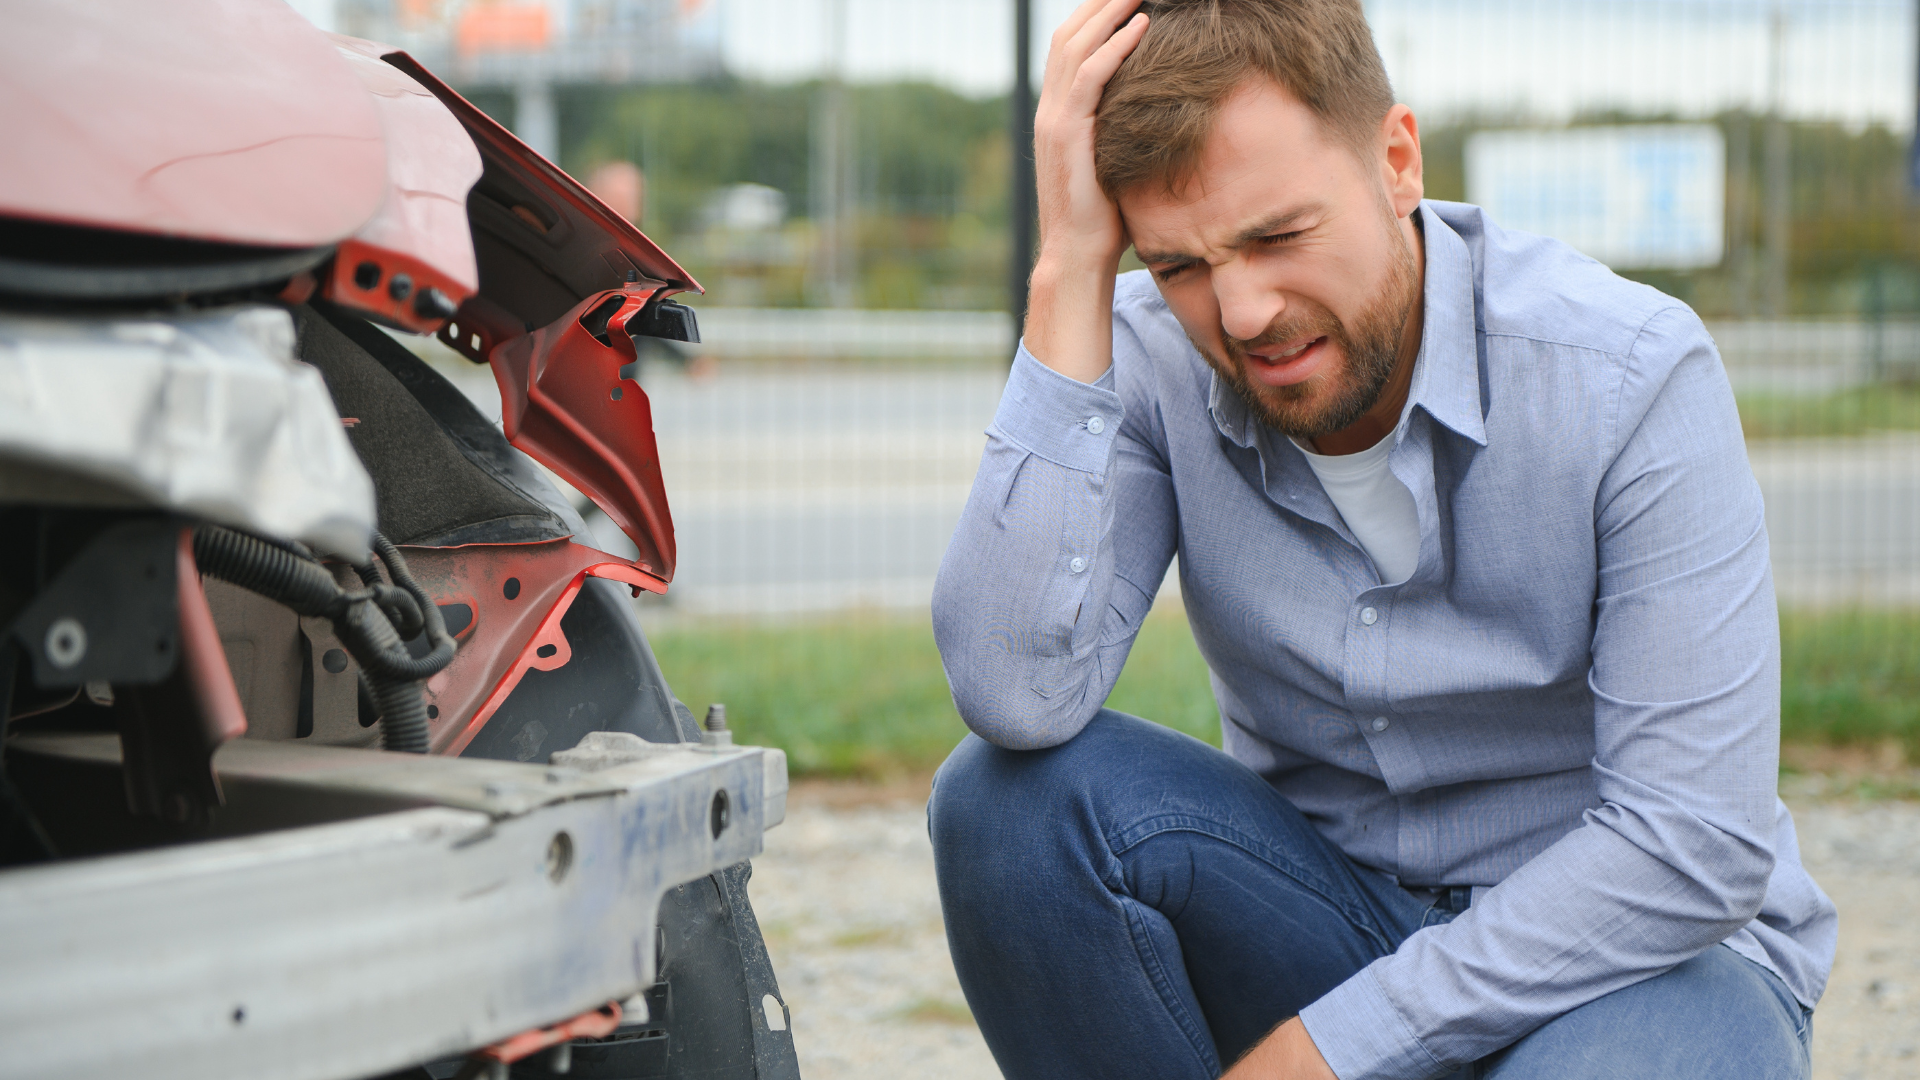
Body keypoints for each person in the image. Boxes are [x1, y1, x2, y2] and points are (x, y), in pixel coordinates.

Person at [926, 1, 1837, 1077]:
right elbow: (1013, 695)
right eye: (1178, 265)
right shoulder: (1149, 359)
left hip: (1635, 968)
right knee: (1010, 808)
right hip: (1328, 921)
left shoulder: (1627, 375)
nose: (1245, 310)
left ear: (1397, 162)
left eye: (1277, 235)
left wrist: (1327, 1053)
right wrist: (1068, 267)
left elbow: (1691, 847)